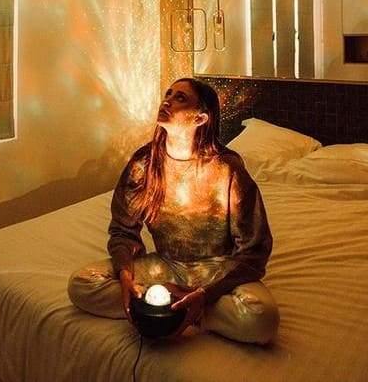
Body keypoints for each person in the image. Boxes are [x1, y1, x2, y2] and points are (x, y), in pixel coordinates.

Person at [68, 78, 279, 344]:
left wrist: (206, 294)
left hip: (217, 270)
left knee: (262, 319)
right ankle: (173, 305)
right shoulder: (144, 164)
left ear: (200, 118)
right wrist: (125, 275)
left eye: (180, 98)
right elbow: (123, 230)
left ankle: (186, 307)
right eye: (168, 94)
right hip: (164, 266)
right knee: (82, 284)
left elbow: (254, 251)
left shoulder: (227, 170)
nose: (167, 101)